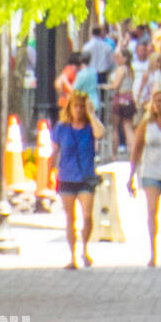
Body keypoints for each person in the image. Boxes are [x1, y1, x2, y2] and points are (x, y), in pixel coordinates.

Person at [51, 89, 104, 269]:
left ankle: (85, 249)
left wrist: (91, 113)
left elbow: (100, 133)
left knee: (87, 215)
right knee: (70, 217)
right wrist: (51, 172)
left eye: (82, 107)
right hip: (67, 175)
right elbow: (54, 150)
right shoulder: (61, 128)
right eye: (76, 106)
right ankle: (72, 255)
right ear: (70, 107)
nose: (79, 110)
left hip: (86, 176)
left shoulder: (90, 126)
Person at [128, 88, 161, 268]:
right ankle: (152, 252)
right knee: (151, 211)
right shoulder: (146, 124)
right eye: (156, 101)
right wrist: (131, 174)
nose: (159, 105)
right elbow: (137, 149)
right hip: (150, 171)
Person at [109, 50, 136, 156]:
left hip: (120, 97)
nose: (117, 59)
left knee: (115, 127)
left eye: (119, 57)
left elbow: (116, 85)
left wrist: (107, 86)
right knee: (128, 126)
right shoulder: (130, 70)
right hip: (130, 98)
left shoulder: (121, 69)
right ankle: (133, 152)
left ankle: (114, 155)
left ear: (125, 58)